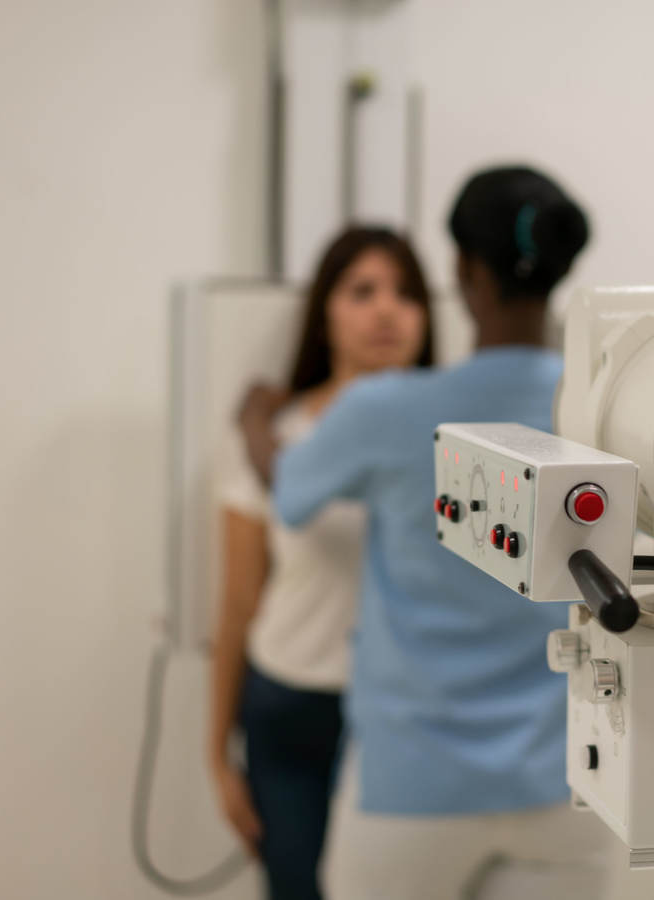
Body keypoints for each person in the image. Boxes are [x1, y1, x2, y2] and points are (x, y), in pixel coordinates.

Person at [245, 165, 607, 899]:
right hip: (565, 785)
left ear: (464, 271)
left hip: (411, 792)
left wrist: (253, 418)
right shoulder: (601, 408)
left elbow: (287, 490)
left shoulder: (386, 410)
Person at [209, 226, 433, 900]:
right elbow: (239, 602)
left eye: (405, 293)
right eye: (362, 291)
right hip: (293, 708)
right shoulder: (274, 439)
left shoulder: (462, 442)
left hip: (411, 715)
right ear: (325, 313)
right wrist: (216, 756)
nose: (386, 310)